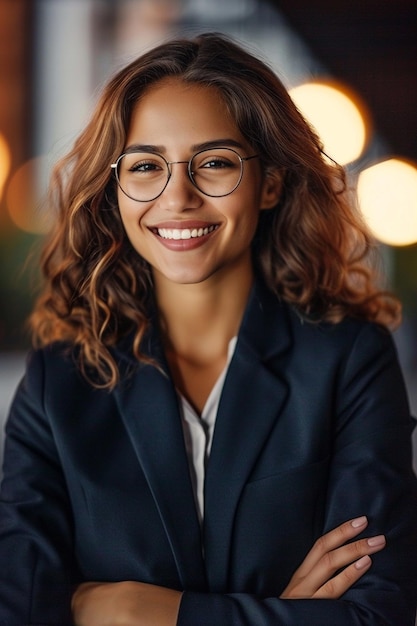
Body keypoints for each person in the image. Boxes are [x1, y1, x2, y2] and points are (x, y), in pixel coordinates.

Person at [0, 32, 416, 626]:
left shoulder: (348, 361)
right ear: (115, 191)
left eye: (215, 163)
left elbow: (377, 614)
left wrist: (133, 609)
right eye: (146, 166)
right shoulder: (58, 381)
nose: (178, 198)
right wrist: (278, 613)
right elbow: (18, 609)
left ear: (270, 182)